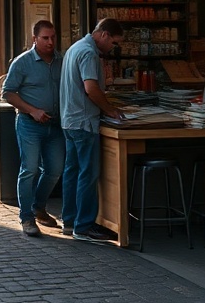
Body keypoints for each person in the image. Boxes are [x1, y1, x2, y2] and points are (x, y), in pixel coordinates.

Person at [60, 18, 124, 243]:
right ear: (105, 35)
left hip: (69, 120)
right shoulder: (88, 52)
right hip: (84, 121)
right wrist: (109, 110)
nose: (113, 48)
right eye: (114, 43)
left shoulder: (75, 47)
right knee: (88, 174)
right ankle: (84, 226)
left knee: (72, 172)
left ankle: (69, 221)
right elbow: (91, 88)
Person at [2, 20, 65, 238]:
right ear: (34, 39)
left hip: (55, 125)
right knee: (29, 169)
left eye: (53, 37)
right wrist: (32, 110)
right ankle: (26, 217)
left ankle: (39, 207)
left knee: (55, 169)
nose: (50, 42)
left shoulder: (61, 60)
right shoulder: (22, 62)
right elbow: (8, 93)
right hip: (30, 125)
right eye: (45, 38)